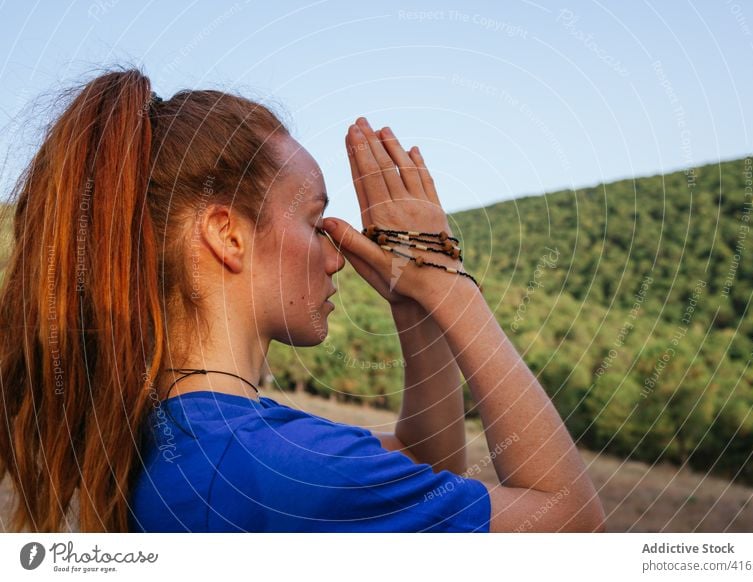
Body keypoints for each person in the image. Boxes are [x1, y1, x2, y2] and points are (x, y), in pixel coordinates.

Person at [0, 68, 605, 533]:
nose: (338, 252)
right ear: (227, 235)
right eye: (316, 220)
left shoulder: (192, 438)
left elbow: (428, 466)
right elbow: (574, 524)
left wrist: (414, 306)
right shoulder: (265, 465)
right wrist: (452, 286)